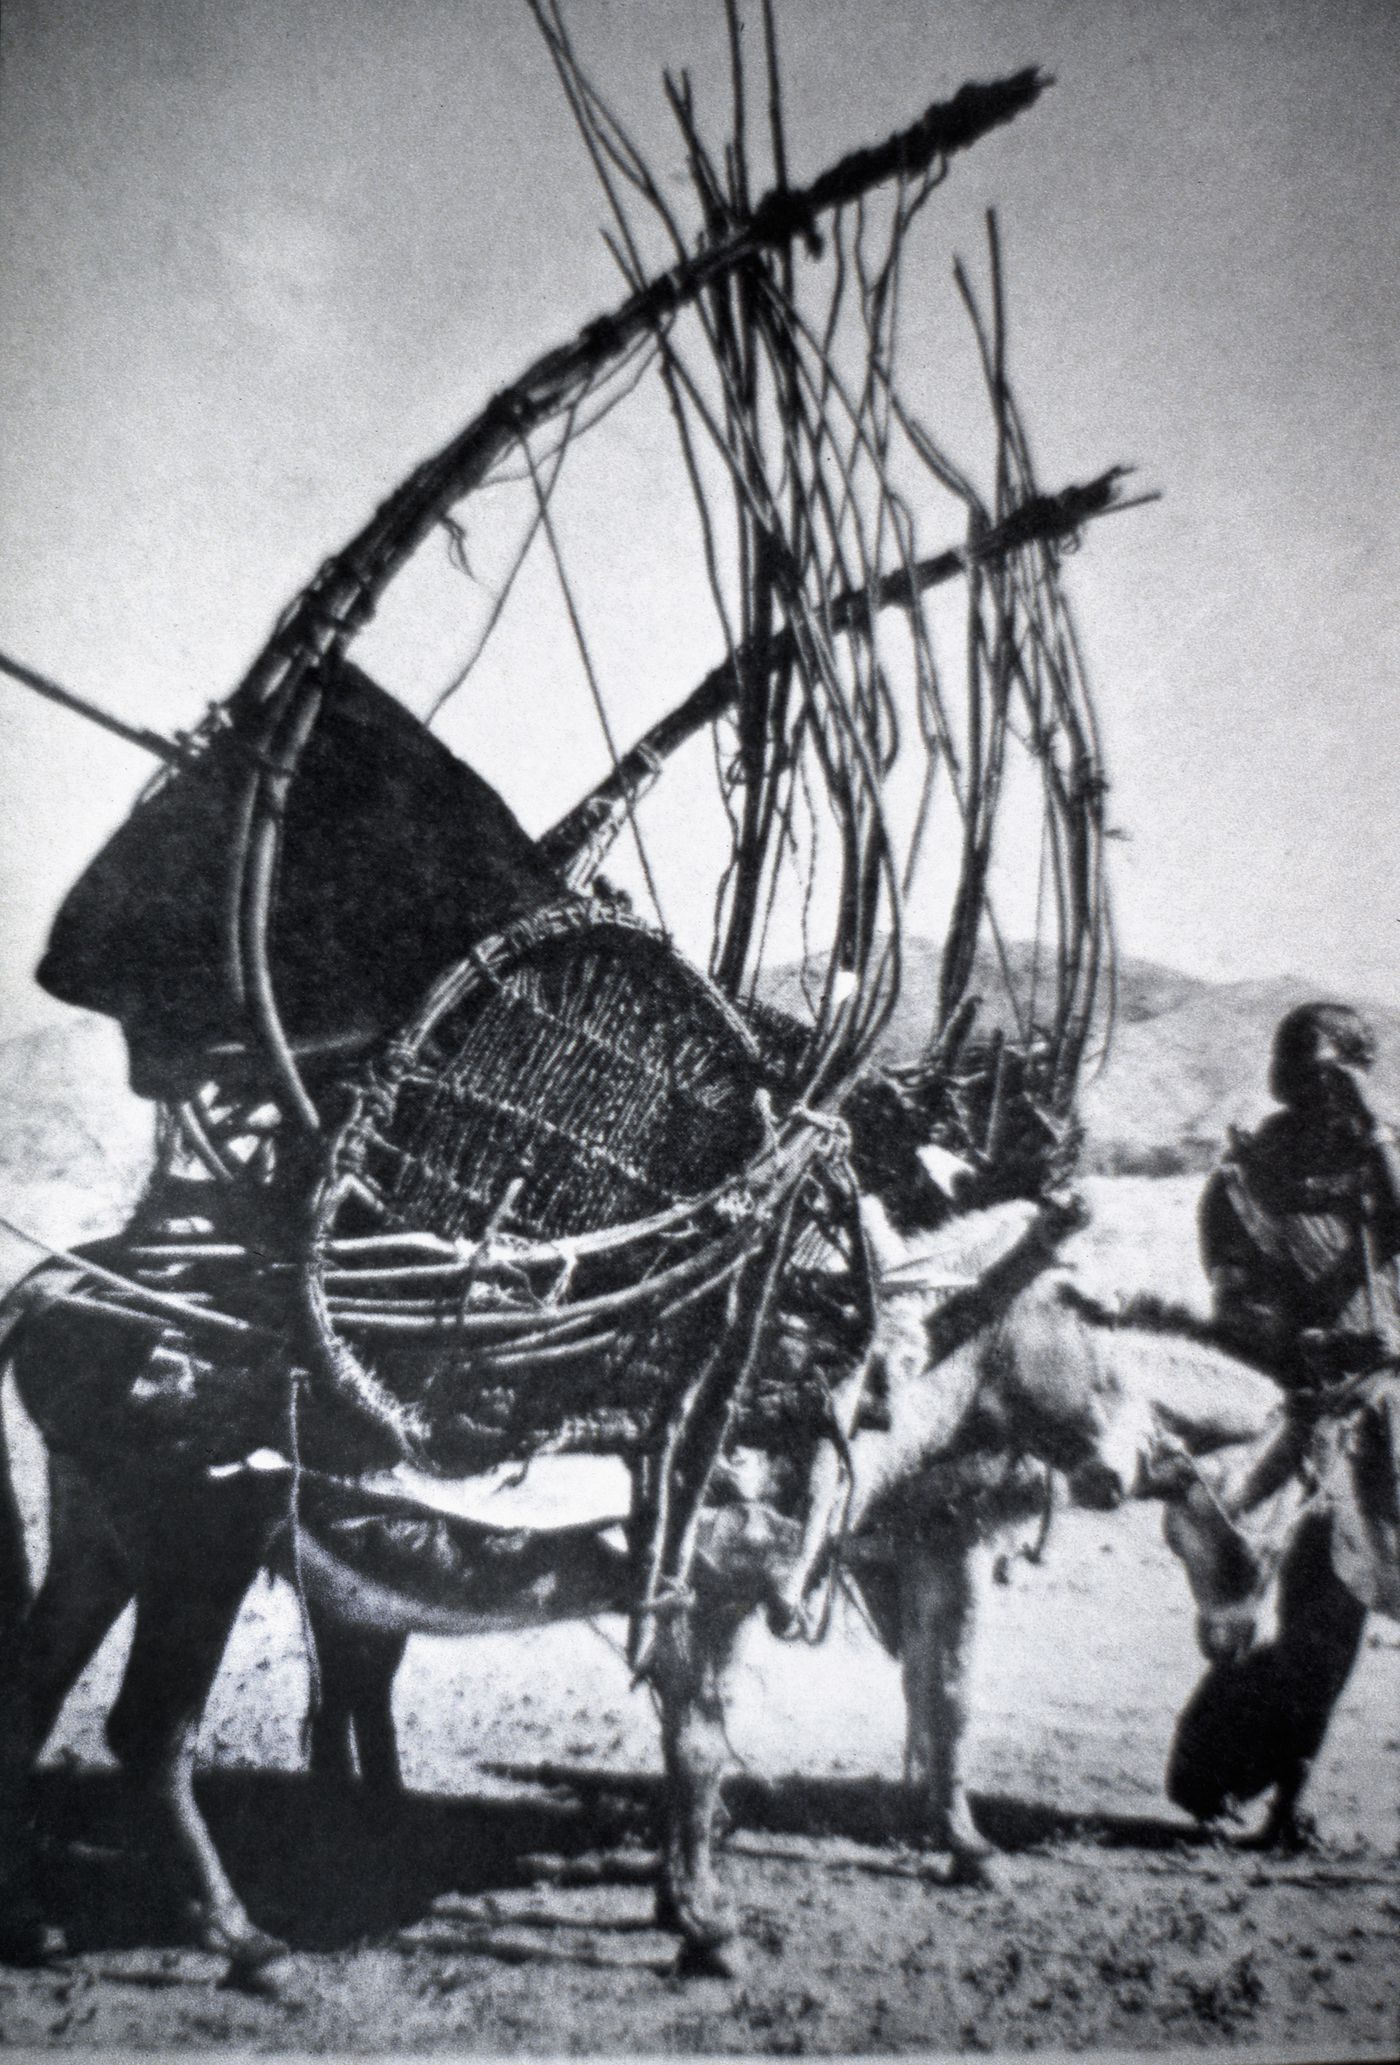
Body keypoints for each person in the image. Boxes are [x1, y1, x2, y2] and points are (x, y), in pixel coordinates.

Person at [1198, 1001, 1400, 1514]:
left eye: (1334, 1075)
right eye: (1301, 1070)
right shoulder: (1245, 1174)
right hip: (1298, 1391)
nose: (1317, 1088)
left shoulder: (1384, 1155)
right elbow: (1236, 1308)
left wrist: (1374, 1137)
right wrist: (1313, 1344)